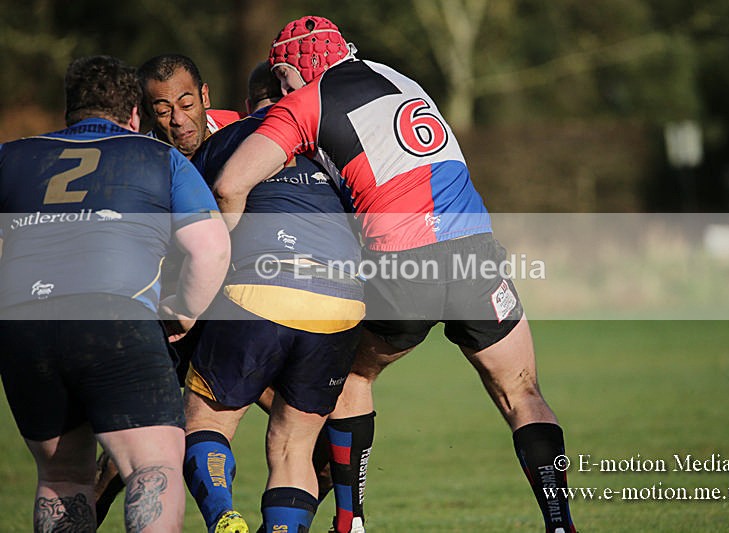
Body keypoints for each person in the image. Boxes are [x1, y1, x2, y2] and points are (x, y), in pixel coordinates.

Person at [212, 16, 578, 533]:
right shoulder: (398, 76)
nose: (282, 88)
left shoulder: (305, 101)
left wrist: (221, 261)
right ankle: (561, 524)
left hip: (404, 261)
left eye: (283, 77)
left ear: (297, 67)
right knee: (523, 393)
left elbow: (230, 185)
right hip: (475, 251)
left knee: (350, 378)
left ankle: (351, 522)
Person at [0, 55, 230, 532]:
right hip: (115, 317)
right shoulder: (159, 157)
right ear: (134, 113)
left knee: (60, 478)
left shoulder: (11, 156)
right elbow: (210, 247)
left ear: (70, 110)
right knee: (153, 467)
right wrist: (185, 311)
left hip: (24, 326)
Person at [182, 62, 364, 533]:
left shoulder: (229, 138)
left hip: (261, 287)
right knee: (293, 449)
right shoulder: (333, 145)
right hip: (342, 299)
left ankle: (223, 516)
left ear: (249, 104)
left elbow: (196, 226)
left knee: (207, 421)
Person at [137, 53, 241, 160]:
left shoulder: (241, 128)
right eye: (163, 112)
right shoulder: (140, 163)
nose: (179, 120)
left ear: (204, 96)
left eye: (187, 105)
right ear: (146, 114)